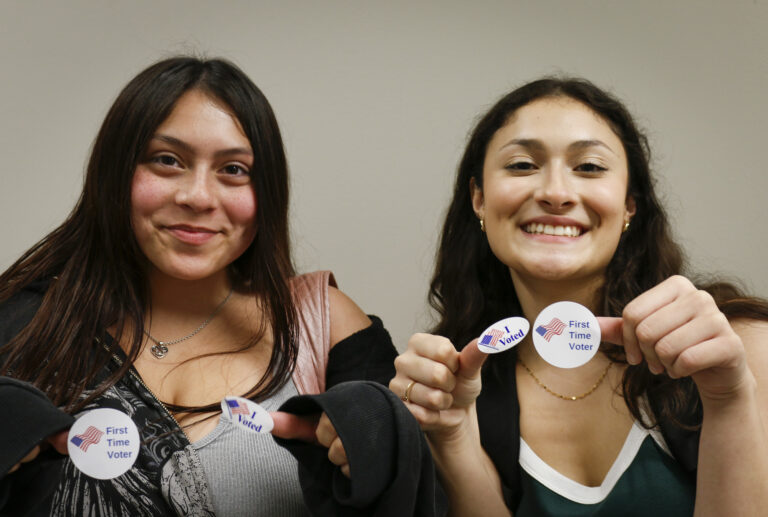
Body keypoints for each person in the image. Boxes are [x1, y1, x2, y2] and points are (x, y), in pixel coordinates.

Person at [0, 56, 398, 516]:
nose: (198, 197)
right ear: (116, 173)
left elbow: (402, 494)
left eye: (233, 170)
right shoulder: (26, 324)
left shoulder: (325, 324)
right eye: (167, 161)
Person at [390, 77, 768, 516]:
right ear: (478, 199)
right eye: (521, 165)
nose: (554, 193)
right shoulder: (454, 386)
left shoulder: (741, 350)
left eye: (588, 167)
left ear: (630, 205)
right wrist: (453, 438)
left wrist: (728, 396)